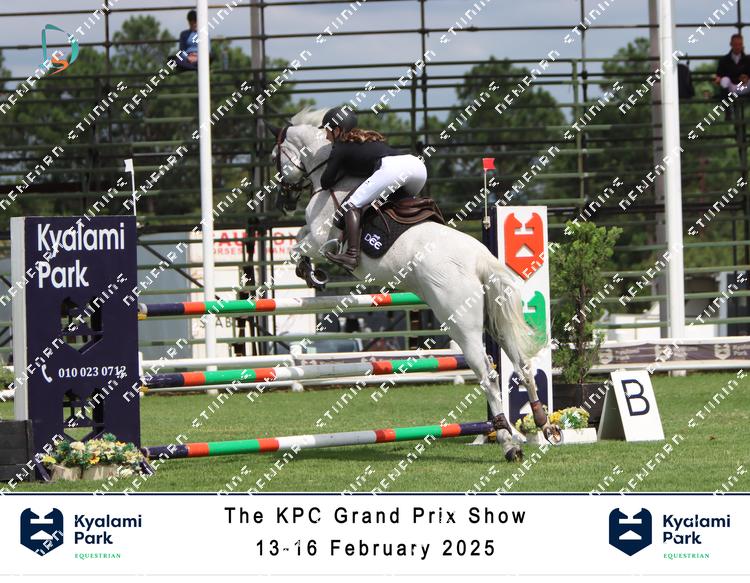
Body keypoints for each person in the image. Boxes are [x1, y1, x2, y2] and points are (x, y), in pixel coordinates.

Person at [319, 106, 427, 271]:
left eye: (327, 131)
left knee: (351, 205)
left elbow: (325, 182)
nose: (327, 137)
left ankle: (352, 255)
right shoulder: (369, 139)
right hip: (417, 168)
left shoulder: (340, 146)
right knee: (392, 204)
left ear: (338, 130)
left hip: (394, 168)